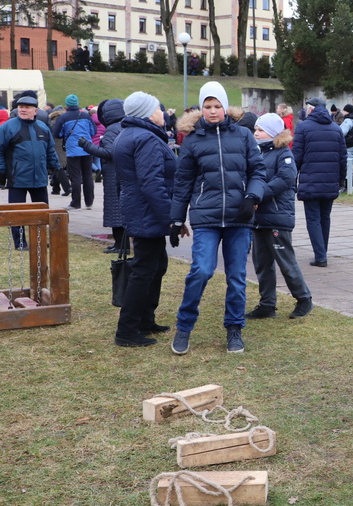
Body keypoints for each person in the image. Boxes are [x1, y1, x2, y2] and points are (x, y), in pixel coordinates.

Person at [170, 82, 266, 355]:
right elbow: (183, 182)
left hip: (239, 217)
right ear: (201, 109)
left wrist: (252, 197)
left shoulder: (244, 136)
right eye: (207, 106)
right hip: (206, 217)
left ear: (225, 107)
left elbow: (258, 171)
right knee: (201, 270)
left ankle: (234, 328)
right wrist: (176, 220)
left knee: (236, 277)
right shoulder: (192, 141)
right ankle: (184, 327)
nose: (212, 111)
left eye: (217, 106)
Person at [111, 92, 176, 348]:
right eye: (158, 108)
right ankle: (127, 330)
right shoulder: (145, 138)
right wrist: (170, 217)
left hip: (140, 209)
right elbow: (152, 183)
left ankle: (145, 320)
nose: (162, 112)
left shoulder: (130, 134)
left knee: (156, 265)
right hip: (148, 211)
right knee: (144, 270)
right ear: (148, 113)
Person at [247, 113, 314, 319]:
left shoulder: (283, 154)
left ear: (273, 132)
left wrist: (257, 195)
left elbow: (285, 179)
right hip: (259, 218)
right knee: (262, 263)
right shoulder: (257, 152)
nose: (256, 133)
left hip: (277, 217)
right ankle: (267, 304)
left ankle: (304, 298)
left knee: (286, 262)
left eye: (260, 130)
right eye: (255, 129)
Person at [0, 91, 59, 250]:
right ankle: (20, 243)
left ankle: (40, 240)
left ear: (35, 110)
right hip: (17, 177)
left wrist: (55, 167)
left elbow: (50, 149)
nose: (23, 110)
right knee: (17, 213)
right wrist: (2, 171)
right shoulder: (7, 127)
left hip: (39, 177)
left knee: (41, 212)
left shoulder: (43, 128)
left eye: (27, 107)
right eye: (21, 107)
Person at [292, 96, 346, 268]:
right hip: (330, 181)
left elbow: (296, 156)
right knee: (325, 217)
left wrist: (292, 179)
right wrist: (341, 180)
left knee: (313, 219)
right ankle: (322, 251)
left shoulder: (303, 128)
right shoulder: (336, 128)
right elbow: (342, 158)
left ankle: (320, 255)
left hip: (310, 181)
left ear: (311, 109)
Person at [78, 99, 128, 253]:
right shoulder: (124, 126)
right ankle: (119, 244)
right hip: (121, 173)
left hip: (113, 175)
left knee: (115, 212)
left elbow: (109, 152)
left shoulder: (112, 129)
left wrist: (87, 145)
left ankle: (121, 246)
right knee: (119, 211)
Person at [53, 94, 96, 209]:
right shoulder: (86, 115)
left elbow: (57, 134)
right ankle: (89, 202)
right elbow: (93, 131)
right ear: (77, 103)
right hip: (87, 149)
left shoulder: (63, 117)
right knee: (87, 176)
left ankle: (76, 203)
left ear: (66, 105)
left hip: (73, 150)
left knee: (75, 177)